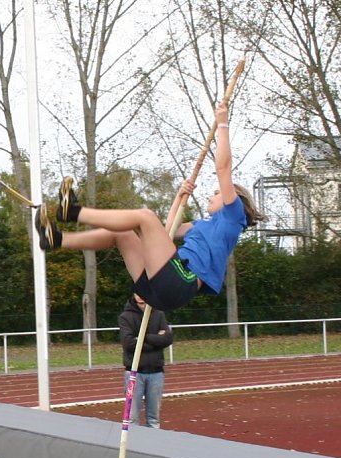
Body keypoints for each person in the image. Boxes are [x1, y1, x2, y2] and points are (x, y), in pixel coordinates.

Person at [34, 99, 266, 312]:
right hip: (160, 283)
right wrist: (178, 197)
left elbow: (223, 169)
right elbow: (167, 232)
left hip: (180, 282)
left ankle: (73, 212)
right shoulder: (204, 225)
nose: (212, 195)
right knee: (123, 233)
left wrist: (222, 124)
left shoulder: (232, 217)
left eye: (217, 193)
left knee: (145, 216)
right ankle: (56, 239)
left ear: (232, 198)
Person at [118, 293, 173, 428]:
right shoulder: (125, 317)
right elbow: (129, 343)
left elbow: (167, 339)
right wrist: (155, 339)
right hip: (134, 373)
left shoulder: (159, 314)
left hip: (156, 373)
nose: (141, 296)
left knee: (154, 419)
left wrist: (143, 337)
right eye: (138, 292)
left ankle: (152, 446)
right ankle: (133, 447)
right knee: (132, 419)